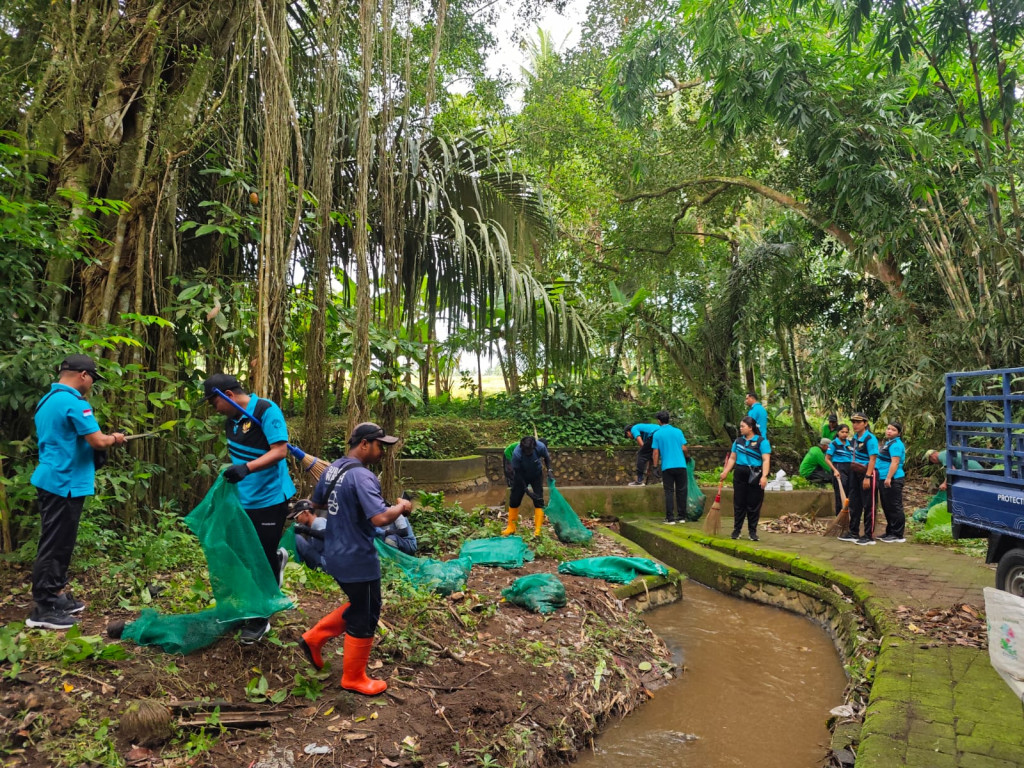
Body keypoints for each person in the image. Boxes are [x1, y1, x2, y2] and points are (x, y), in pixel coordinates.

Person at [299, 422, 411, 694]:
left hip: (335, 552)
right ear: (364, 444)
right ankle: (353, 678)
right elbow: (380, 518)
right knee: (366, 613)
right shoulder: (362, 476)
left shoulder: (333, 468)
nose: (382, 451)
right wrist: (401, 507)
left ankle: (314, 638)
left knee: (362, 603)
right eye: (379, 445)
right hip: (358, 556)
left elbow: (317, 503)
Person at [26, 354, 126, 630]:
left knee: (60, 541)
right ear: (83, 375)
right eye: (92, 378)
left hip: (53, 478)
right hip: (64, 482)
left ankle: (55, 595)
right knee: (56, 544)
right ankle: (43, 607)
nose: (92, 383)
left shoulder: (47, 400)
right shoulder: (74, 403)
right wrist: (115, 438)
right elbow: (97, 441)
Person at [203, 373, 296, 643]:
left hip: (270, 498)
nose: (215, 409)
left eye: (214, 403)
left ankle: (260, 618)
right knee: (244, 553)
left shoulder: (266, 410)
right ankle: (273, 564)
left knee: (260, 559)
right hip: (244, 500)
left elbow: (279, 451)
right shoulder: (231, 422)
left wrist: (247, 468)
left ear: (228, 395)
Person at [720, 415, 771, 541]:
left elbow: (766, 460)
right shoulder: (738, 442)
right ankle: (736, 530)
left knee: (754, 504)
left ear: (750, 427)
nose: (740, 428)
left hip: (755, 474)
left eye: (743, 426)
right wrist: (725, 472)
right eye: (740, 426)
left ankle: (752, 532)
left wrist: (764, 476)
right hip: (740, 474)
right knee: (739, 503)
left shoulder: (761, 441)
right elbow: (732, 458)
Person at [501, 436, 553, 537]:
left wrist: (549, 470)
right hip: (521, 476)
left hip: (536, 475)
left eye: (530, 450)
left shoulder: (540, 447)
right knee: (514, 500)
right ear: (522, 447)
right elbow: (517, 474)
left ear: (534, 447)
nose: (528, 453)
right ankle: (511, 527)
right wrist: (527, 491)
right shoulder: (517, 454)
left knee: (538, 500)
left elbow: (547, 458)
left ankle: (538, 530)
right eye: (526, 451)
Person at [841, 412, 879, 546]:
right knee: (854, 503)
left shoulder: (870, 439)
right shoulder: (854, 438)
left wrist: (868, 477)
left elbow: (873, 459)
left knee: (868, 504)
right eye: (853, 422)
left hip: (867, 472)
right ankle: (854, 532)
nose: (855, 425)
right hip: (855, 471)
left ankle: (868, 535)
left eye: (858, 422)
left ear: (865, 423)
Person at [650, 411, 689, 524]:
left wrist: (655, 467)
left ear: (659, 421)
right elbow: (684, 448)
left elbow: (655, 452)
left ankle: (670, 518)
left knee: (669, 491)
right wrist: (687, 457)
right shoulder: (678, 431)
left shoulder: (657, 434)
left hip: (667, 467)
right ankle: (681, 517)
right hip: (681, 465)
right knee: (682, 491)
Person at [878, 421, 907, 543]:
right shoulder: (888, 443)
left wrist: (889, 477)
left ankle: (898, 534)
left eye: (893, 430)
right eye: (888, 428)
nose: (889, 431)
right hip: (883, 477)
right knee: (887, 506)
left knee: (894, 506)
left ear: (899, 433)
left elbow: (895, 462)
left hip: (893, 479)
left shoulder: (896, 445)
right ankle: (890, 531)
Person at [825, 423, 854, 516]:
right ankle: (839, 515)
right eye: (842, 432)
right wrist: (835, 470)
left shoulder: (850, 444)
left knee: (850, 491)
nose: (844, 434)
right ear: (838, 432)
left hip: (850, 467)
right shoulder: (834, 443)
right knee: (840, 492)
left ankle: (849, 515)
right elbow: (827, 459)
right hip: (839, 467)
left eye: (846, 432)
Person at [289, 499, 327, 569]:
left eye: (297, 517)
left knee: (296, 538)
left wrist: (306, 530)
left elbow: (329, 536)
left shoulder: (318, 522)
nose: (296, 521)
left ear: (305, 513)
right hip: (321, 564)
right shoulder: (311, 528)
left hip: (327, 564)